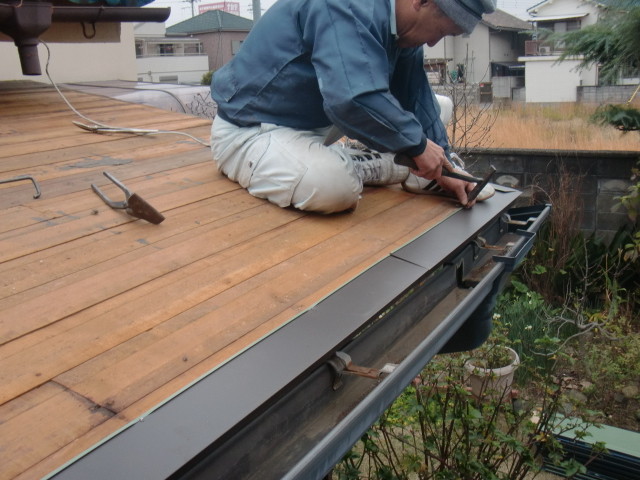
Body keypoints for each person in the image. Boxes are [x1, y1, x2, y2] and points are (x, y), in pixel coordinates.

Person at [210, 0, 497, 214]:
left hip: (318, 121)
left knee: (439, 107)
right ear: (421, 1)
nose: (434, 42)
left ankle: (416, 172)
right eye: (441, 31)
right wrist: (417, 147)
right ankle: (363, 167)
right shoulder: (344, 5)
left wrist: (445, 162)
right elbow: (351, 99)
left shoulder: (402, 27)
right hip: (253, 130)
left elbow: (415, 97)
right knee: (335, 188)